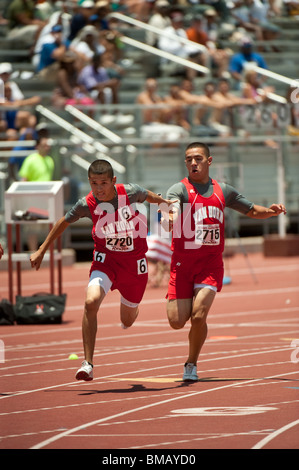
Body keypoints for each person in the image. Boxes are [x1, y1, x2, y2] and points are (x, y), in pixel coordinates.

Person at [29, 159, 176, 381]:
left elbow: (150, 196)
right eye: (94, 183)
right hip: (105, 262)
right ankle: (88, 363)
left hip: (134, 267)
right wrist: (42, 249)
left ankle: (132, 310)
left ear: (113, 181)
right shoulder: (86, 203)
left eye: (103, 183)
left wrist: (166, 206)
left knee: (127, 320)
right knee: (90, 302)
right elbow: (63, 222)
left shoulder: (130, 192)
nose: (98, 189)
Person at [162, 142, 287, 382]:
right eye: (188, 159)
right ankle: (193, 318)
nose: (193, 163)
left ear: (209, 161)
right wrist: (171, 216)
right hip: (183, 263)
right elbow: (171, 207)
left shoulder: (223, 191)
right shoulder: (178, 189)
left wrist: (270, 212)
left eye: (198, 158)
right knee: (177, 322)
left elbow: (250, 210)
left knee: (198, 316)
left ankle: (191, 363)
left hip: (210, 264)